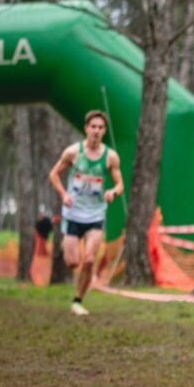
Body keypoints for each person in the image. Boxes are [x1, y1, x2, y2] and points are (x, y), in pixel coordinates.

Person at [48, 110, 125, 315]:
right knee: (73, 262)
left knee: (90, 259)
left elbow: (120, 185)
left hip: (96, 214)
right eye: (93, 127)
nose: (97, 131)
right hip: (73, 214)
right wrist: (64, 194)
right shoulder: (73, 152)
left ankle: (77, 301)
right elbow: (54, 174)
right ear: (86, 129)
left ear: (104, 131)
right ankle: (79, 275)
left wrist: (112, 192)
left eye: (100, 128)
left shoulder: (110, 156)